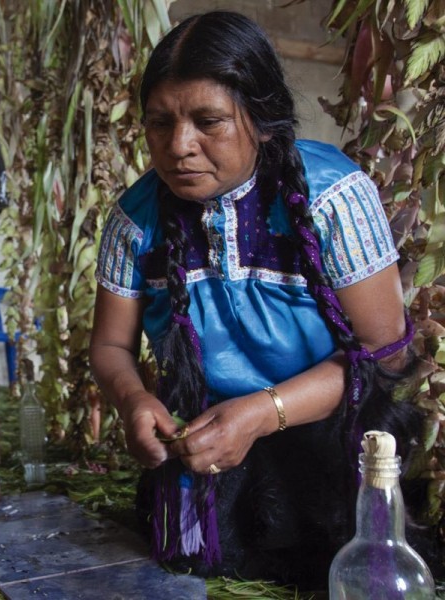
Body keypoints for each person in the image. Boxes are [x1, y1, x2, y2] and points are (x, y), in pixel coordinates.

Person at [90, 11, 433, 588]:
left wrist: (262, 412)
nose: (179, 147)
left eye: (209, 122)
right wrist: (132, 400)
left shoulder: (334, 198)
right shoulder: (134, 220)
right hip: (202, 440)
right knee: (200, 561)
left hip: (330, 438)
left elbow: (385, 354)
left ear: (264, 119)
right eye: (159, 122)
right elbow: (110, 344)